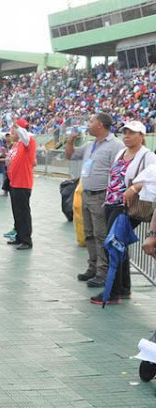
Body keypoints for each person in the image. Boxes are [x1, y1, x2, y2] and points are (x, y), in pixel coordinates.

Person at [91, 121, 156, 304]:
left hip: (129, 206)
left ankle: (113, 292)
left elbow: (153, 178)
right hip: (113, 203)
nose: (127, 135)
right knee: (119, 245)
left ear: (141, 136)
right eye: (125, 132)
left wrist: (134, 187)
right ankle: (124, 288)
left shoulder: (148, 156)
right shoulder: (121, 153)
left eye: (132, 132)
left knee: (112, 244)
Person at [66, 113, 124, 287]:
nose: (88, 124)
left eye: (91, 121)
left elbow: (119, 171)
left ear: (100, 125)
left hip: (101, 195)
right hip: (87, 193)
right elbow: (71, 156)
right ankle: (92, 267)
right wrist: (70, 141)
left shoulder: (116, 146)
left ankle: (102, 272)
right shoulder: (91, 145)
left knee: (100, 235)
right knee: (89, 233)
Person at [5, 119, 38, 250]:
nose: (11, 131)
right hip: (14, 183)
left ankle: (26, 240)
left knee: (23, 213)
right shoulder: (16, 145)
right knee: (17, 212)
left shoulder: (28, 142)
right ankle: (19, 236)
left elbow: (25, 136)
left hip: (22, 183)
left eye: (14, 129)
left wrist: (17, 127)